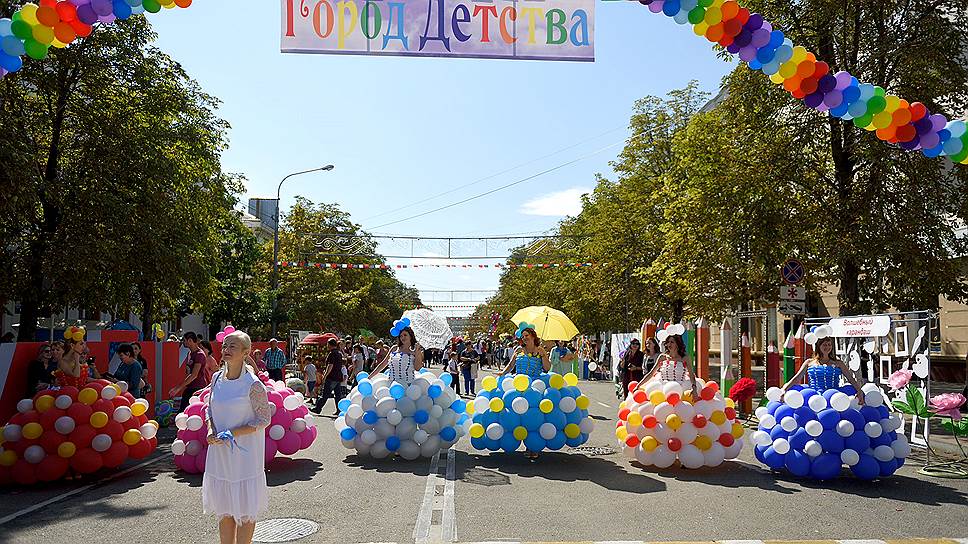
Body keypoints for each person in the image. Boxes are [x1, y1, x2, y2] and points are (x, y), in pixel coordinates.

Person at [203, 330, 270, 544]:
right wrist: (210, 429)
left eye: (233, 346)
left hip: (245, 455)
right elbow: (209, 409)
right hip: (220, 453)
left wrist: (233, 433)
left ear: (245, 352)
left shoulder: (253, 384)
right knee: (225, 508)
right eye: (225, 346)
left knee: (245, 508)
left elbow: (263, 419)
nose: (226, 350)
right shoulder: (216, 379)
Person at [499, 327, 551, 459]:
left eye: (527, 335)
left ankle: (533, 446)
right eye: (523, 336)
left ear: (533, 336)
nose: (524, 338)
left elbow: (547, 368)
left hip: (534, 386)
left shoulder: (540, 350)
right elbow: (511, 366)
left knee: (533, 416)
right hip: (518, 384)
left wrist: (543, 355)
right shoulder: (518, 350)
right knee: (517, 414)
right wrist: (502, 373)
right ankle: (521, 441)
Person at [781, 336, 864, 404]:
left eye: (829, 344)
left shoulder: (839, 363)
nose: (827, 347)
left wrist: (859, 391)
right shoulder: (809, 362)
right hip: (814, 397)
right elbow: (797, 378)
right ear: (818, 346)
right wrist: (784, 389)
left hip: (834, 396)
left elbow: (850, 378)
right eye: (824, 345)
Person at [638, 332, 698, 399]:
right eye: (668, 342)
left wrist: (694, 388)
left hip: (680, 389)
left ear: (677, 344)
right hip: (662, 390)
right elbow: (651, 373)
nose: (669, 344)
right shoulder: (662, 357)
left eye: (672, 342)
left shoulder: (685, 358)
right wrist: (638, 385)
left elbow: (691, 375)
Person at [169, 332, 208, 410]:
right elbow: (188, 373)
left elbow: (194, 375)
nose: (183, 342)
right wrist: (178, 387)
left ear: (190, 340)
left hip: (197, 388)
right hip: (190, 387)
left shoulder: (199, 354)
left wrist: (178, 388)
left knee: (187, 410)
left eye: (184, 340)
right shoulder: (190, 353)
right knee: (183, 410)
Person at [313, 339, 346, 415]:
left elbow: (330, 366)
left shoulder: (332, 354)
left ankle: (318, 408)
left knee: (325, 394)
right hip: (338, 376)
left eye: (328, 345)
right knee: (338, 395)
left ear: (330, 345)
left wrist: (324, 376)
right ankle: (339, 410)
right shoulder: (339, 353)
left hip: (332, 377)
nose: (327, 346)